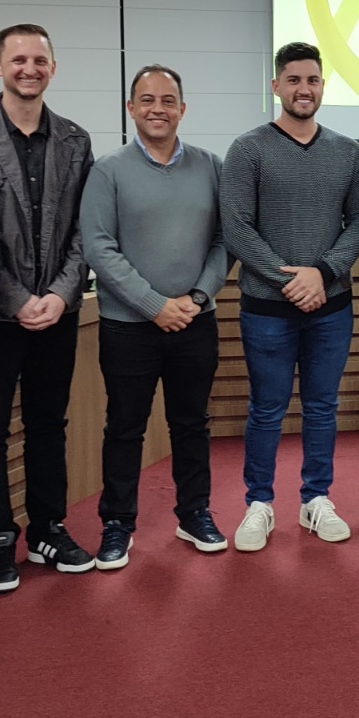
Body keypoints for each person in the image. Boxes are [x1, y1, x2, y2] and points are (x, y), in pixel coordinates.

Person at [0, 24, 96, 590]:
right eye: (18, 59)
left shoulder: (76, 141)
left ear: (53, 68)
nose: (29, 68)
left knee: (48, 424)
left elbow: (87, 231)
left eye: (39, 60)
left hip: (59, 311)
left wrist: (59, 293)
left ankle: (49, 529)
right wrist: (16, 297)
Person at [79, 65, 232, 569]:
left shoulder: (211, 166)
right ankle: (117, 524)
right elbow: (99, 247)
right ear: (131, 108)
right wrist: (153, 306)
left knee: (192, 423)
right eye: (147, 100)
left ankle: (194, 514)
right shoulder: (109, 170)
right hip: (129, 327)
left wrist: (198, 295)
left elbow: (222, 240)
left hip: (195, 319)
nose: (158, 109)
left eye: (168, 100)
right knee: (125, 427)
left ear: (183, 109)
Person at [223, 43, 359, 550]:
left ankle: (315, 499)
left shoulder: (347, 151)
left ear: (323, 86)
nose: (303, 89)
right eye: (293, 80)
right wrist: (292, 280)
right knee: (266, 408)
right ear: (276, 86)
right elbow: (237, 227)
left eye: (312, 80)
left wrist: (323, 273)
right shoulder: (248, 149)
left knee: (322, 406)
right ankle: (258, 504)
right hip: (267, 309)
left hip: (331, 307)